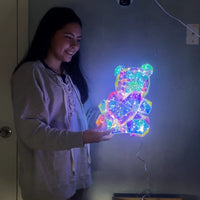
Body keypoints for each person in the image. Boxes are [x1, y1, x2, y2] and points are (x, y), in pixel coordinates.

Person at [11, 7, 112, 200]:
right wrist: (82, 137)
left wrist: (103, 119)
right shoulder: (31, 73)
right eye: (68, 37)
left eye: (79, 39)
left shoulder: (69, 77)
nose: (75, 45)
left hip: (77, 180)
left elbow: (80, 115)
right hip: (48, 186)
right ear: (49, 34)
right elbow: (32, 133)